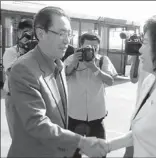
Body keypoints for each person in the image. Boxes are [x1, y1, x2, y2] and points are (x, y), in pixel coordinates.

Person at [8, 6, 107, 158]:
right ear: (41, 33)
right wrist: (81, 142)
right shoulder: (23, 69)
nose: (67, 40)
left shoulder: (59, 65)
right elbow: (36, 123)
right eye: (61, 34)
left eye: (69, 34)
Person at [96, 15, 156, 157]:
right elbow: (144, 133)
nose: (140, 50)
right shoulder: (150, 81)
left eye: (146, 43)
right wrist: (109, 145)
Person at [65, 32, 118, 158]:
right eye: (88, 47)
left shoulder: (103, 60)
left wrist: (94, 68)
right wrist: (74, 62)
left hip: (96, 116)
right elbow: (63, 75)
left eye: (95, 47)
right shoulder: (72, 59)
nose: (92, 50)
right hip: (74, 115)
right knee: (72, 154)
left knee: (99, 153)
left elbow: (110, 81)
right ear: (80, 46)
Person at [2, 18, 33, 138]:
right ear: (19, 33)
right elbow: (13, 74)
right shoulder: (11, 52)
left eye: (31, 33)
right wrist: (22, 52)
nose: (28, 36)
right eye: (25, 32)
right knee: (17, 137)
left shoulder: (37, 53)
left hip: (33, 99)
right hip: (14, 99)